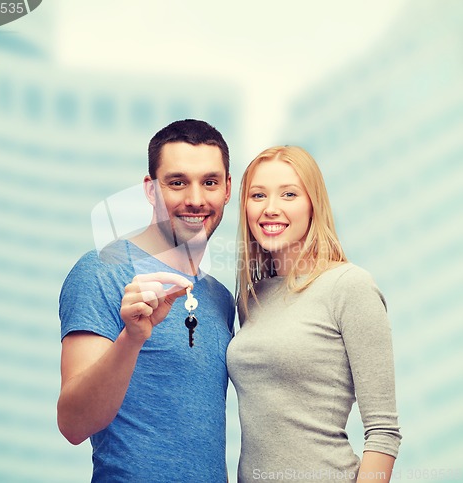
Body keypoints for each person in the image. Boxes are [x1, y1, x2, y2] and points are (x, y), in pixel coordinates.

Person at [57, 119, 235, 482]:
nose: (196, 199)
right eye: (177, 182)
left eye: (210, 182)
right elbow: (73, 424)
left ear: (228, 189)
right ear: (150, 189)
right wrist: (132, 338)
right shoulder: (102, 271)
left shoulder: (222, 298)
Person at [227, 146, 401, 482]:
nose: (270, 208)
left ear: (312, 205)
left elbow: (383, 430)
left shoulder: (350, 286)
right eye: (258, 195)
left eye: (289, 194)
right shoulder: (252, 298)